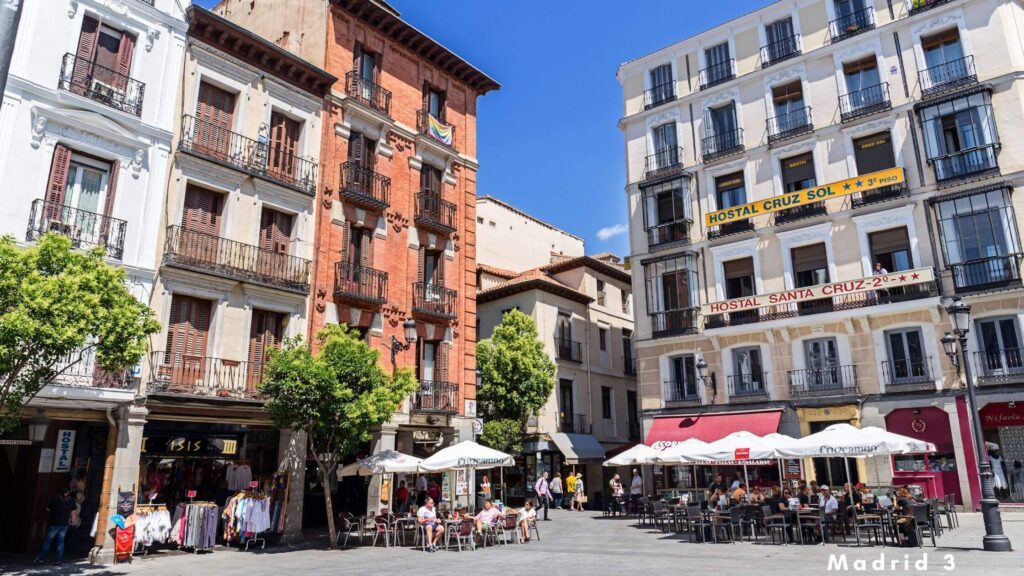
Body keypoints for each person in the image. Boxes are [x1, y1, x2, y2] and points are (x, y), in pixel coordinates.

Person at [34, 488, 77, 565]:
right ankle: (58, 560)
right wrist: (72, 522)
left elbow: (47, 509)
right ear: (68, 492)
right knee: (60, 542)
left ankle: (40, 559)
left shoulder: (55, 499)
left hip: (54, 523)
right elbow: (73, 513)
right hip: (64, 524)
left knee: (47, 541)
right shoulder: (71, 500)